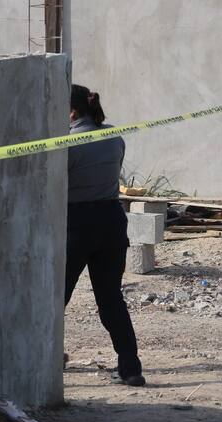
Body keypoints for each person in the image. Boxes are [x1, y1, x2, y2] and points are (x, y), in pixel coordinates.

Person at [65, 84, 145, 387]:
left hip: (77, 223)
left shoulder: (68, 142)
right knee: (111, 299)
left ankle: (46, 358)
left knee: (56, 297)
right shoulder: (114, 136)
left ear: (72, 112)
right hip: (112, 221)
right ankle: (131, 367)